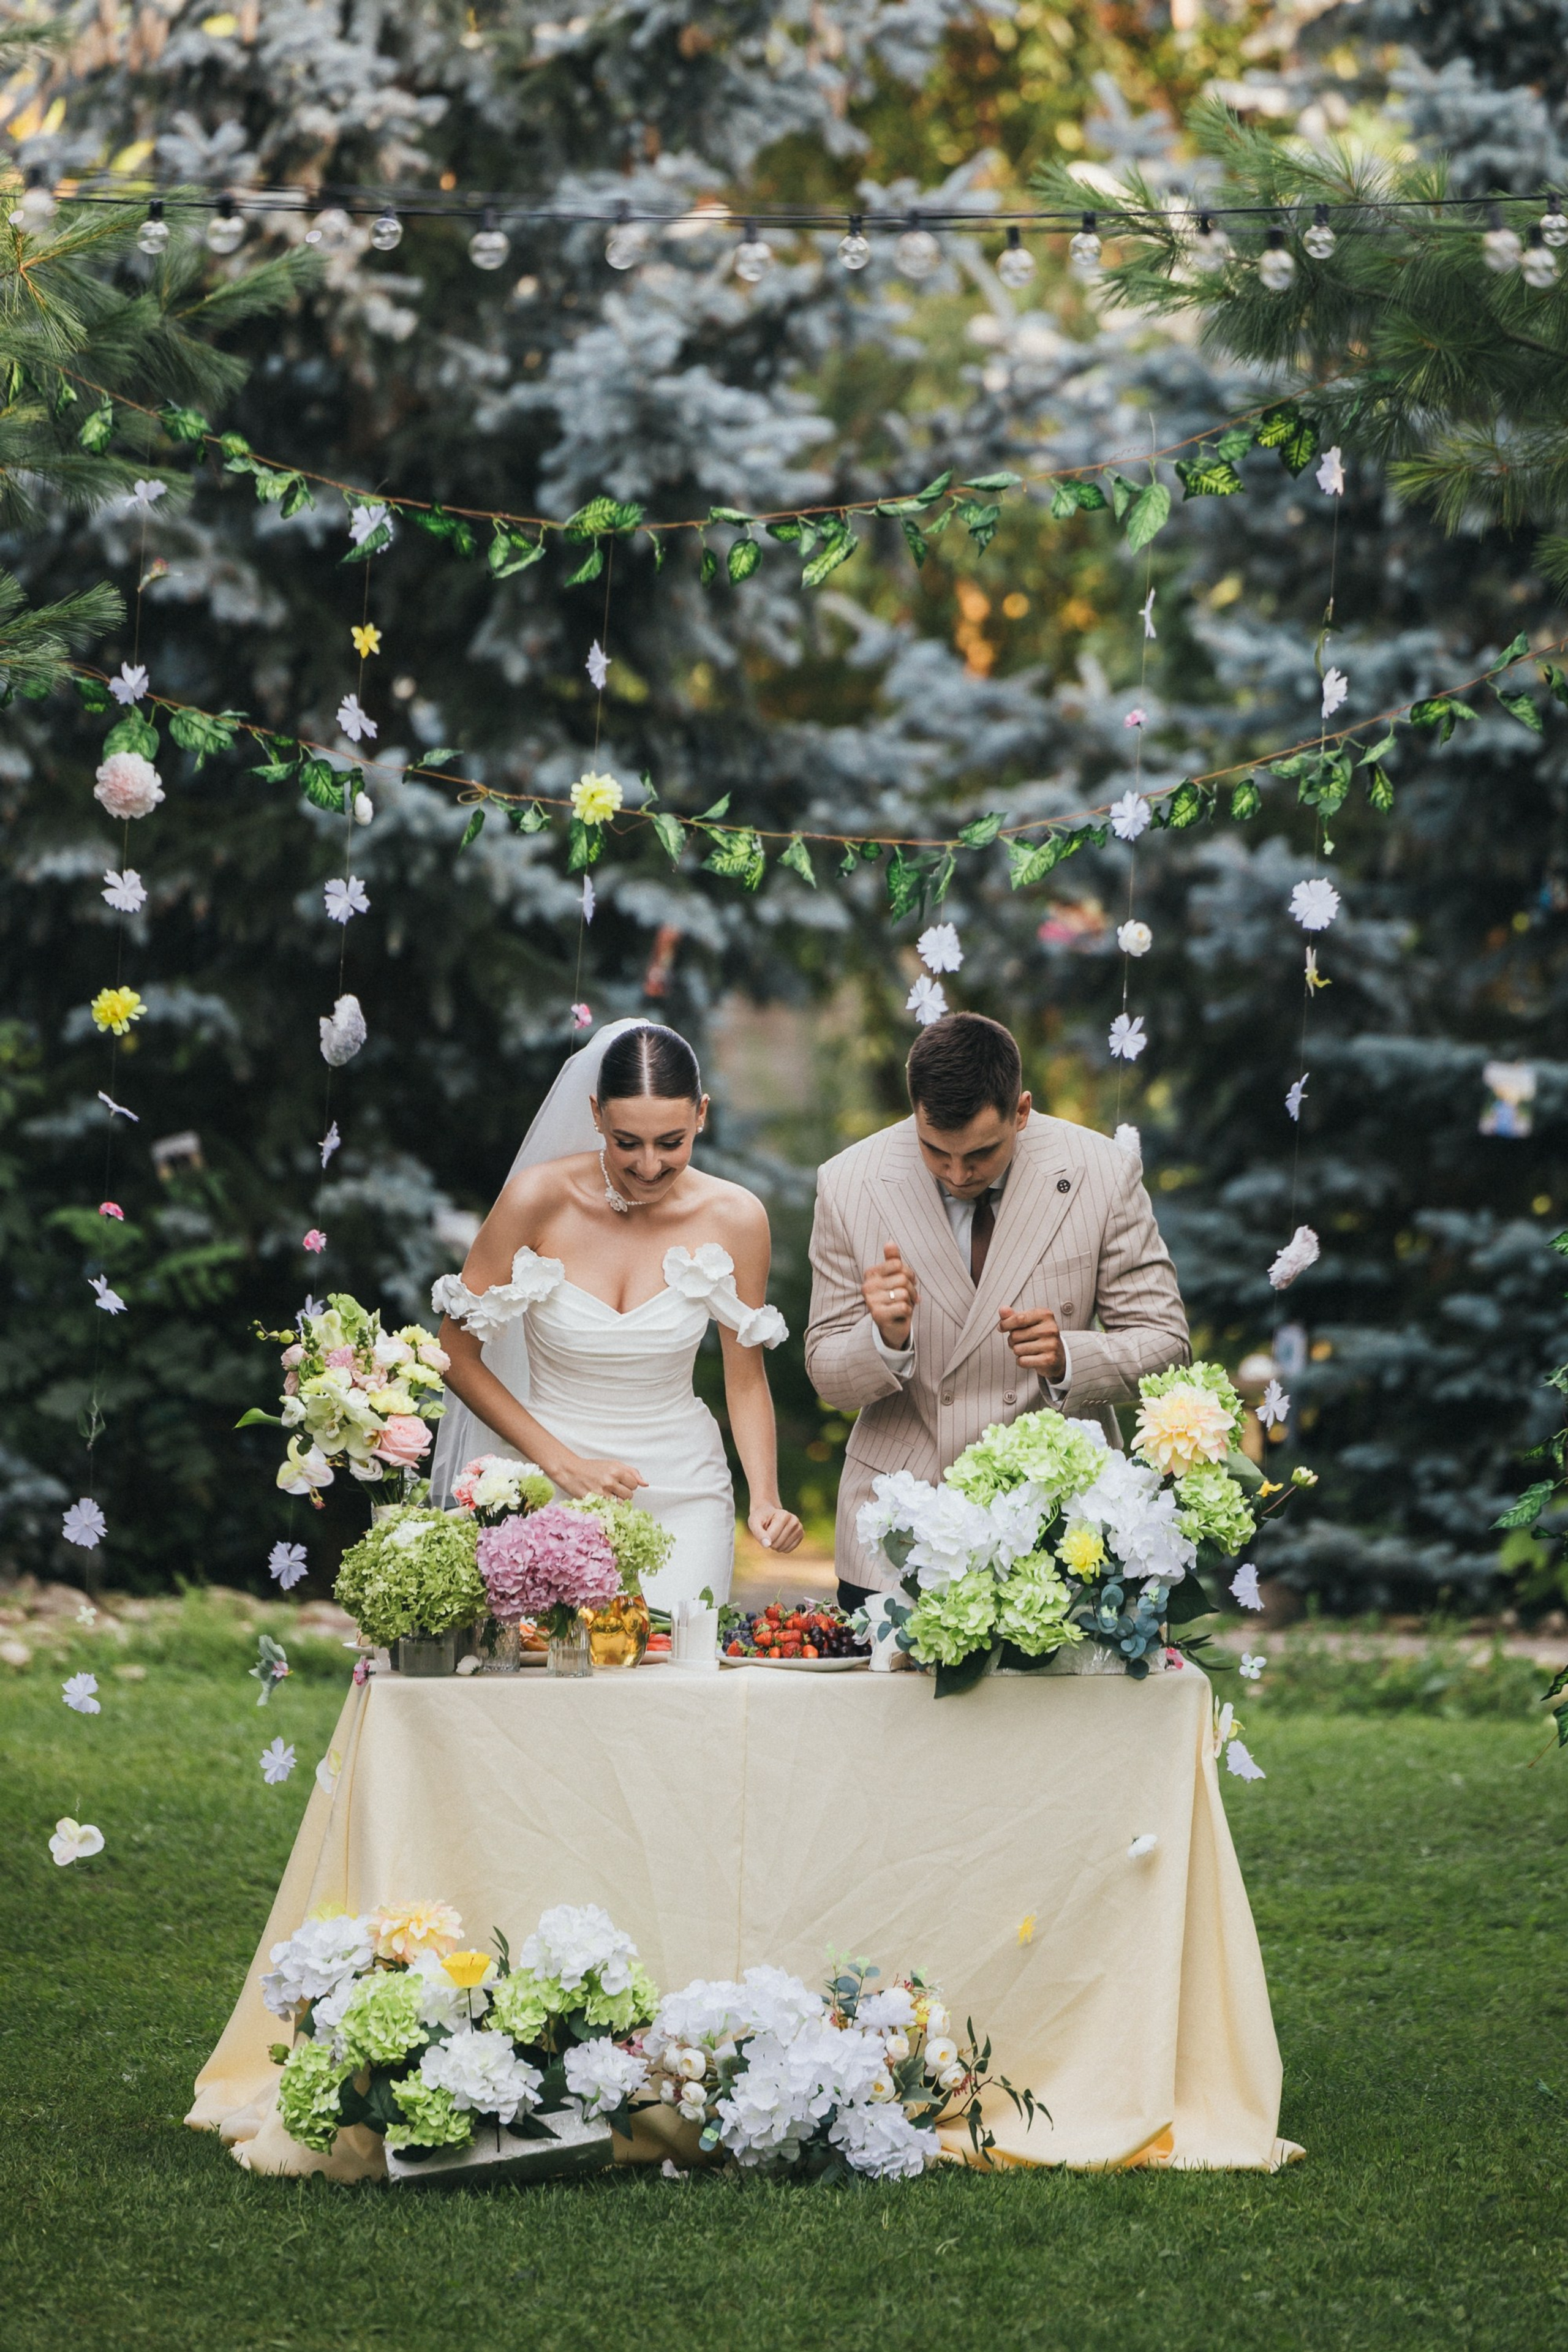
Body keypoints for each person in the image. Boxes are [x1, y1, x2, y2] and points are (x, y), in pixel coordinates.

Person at [805, 1011, 1189, 1613]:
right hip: (899, 1532)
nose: (957, 1175)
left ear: (1021, 1111)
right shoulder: (848, 1184)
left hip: (1060, 1524)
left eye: (980, 1155)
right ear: (914, 1114)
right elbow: (827, 1375)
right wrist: (882, 1337)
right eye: (936, 1152)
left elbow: (1167, 1345)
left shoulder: (1103, 1174)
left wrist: (1070, 1356)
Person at [430, 1019, 802, 1609]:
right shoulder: (536, 1200)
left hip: (684, 1489)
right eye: (627, 1142)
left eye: (671, 1142)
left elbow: (746, 1377)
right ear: (596, 1115)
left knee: (678, 1678)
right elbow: (454, 1354)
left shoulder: (737, 1218)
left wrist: (766, 1498)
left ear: (701, 1115)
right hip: (549, 1479)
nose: (649, 1166)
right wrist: (563, 1465)